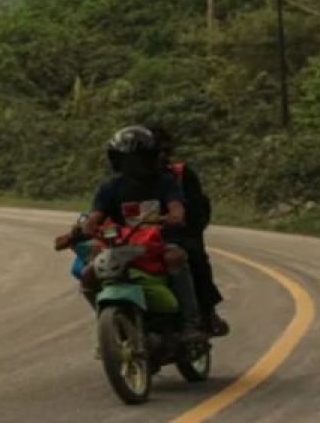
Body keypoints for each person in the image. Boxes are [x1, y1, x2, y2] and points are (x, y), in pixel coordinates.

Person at [79, 125, 206, 343]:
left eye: (137, 159)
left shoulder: (164, 181)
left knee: (175, 258)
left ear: (149, 159)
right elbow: (96, 214)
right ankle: (109, 322)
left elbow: (176, 206)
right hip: (123, 244)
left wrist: (175, 215)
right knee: (89, 274)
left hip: (162, 240)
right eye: (126, 160)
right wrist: (89, 224)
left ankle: (190, 322)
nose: (132, 165)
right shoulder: (110, 187)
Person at [149, 126, 230, 338]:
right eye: (157, 150)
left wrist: (181, 223)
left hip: (179, 233)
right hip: (140, 236)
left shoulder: (179, 175)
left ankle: (206, 313)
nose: (162, 155)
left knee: (194, 255)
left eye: (166, 150)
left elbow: (197, 210)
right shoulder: (130, 179)